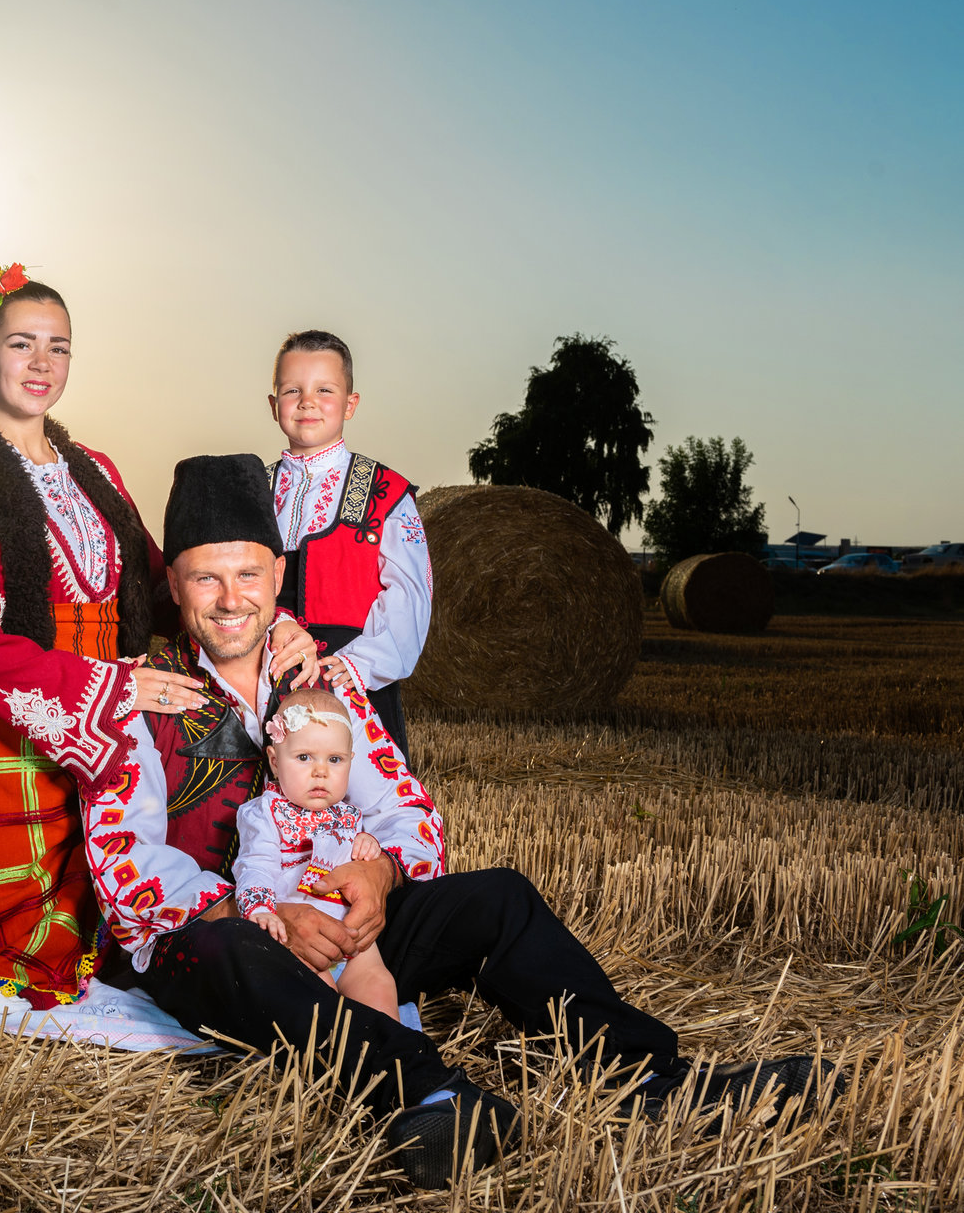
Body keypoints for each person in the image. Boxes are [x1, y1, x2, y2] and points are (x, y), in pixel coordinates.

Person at [83, 453, 838, 1190]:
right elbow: (125, 864)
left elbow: (407, 812)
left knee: (498, 897)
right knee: (224, 949)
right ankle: (430, 1096)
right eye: (205, 578)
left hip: (346, 930)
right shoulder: (140, 695)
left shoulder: (323, 683)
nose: (229, 599)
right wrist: (261, 914)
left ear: (277, 576)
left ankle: (651, 1079)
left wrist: (378, 874)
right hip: (226, 948)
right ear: (173, 586)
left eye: (248, 575)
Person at [0, 266, 319, 1010]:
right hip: (7, 741)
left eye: (57, 348)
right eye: (21, 344)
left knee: (129, 932)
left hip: (117, 738)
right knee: (29, 961)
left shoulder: (95, 469)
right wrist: (109, 686)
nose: (41, 363)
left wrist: (269, 620)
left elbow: (165, 588)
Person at [267, 330, 430, 762]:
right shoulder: (255, 490)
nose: (307, 402)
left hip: (354, 681)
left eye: (325, 390)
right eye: (292, 390)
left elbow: (409, 594)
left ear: (350, 404)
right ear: (273, 404)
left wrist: (359, 664)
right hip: (272, 675)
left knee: (363, 794)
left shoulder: (387, 491)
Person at [234, 688, 400, 1019]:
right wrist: (260, 910)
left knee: (379, 985)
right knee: (318, 999)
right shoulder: (265, 814)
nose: (320, 771)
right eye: (304, 757)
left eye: (334, 760)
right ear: (274, 762)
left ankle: (392, 1043)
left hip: (351, 940)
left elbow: (355, 863)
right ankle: (336, 1044)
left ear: (351, 761)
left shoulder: (348, 815)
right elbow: (255, 866)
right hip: (298, 942)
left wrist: (368, 845)